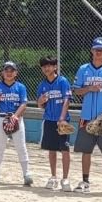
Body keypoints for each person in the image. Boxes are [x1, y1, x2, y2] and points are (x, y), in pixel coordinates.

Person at [71, 37, 102, 193]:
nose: (98, 52)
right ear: (92, 50)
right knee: (86, 150)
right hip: (86, 116)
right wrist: (89, 88)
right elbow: (76, 90)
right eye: (96, 49)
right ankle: (85, 181)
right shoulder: (83, 68)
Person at [0, 61, 32, 185]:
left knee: (21, 146)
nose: (9, 73)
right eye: (6, 71)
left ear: (16, 73)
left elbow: (24, 103)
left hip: (16, 119)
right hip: (1, 118)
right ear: (2, 73)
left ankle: (27, 174)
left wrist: (15, 116)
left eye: (12, 71)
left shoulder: (20, 87)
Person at [36, 56, 73, 191]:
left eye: (50, 65)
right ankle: (53, 177)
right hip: (49, 120)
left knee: (65, 150)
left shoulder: (63, 81)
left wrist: (62, 118)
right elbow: (40, 105)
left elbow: (67, 100)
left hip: (62, 121)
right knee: (52, 150)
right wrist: (41, 100)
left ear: (55, 67)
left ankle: (65, 178)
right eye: (44, 66)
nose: (47, 68)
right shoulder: (42, 85)